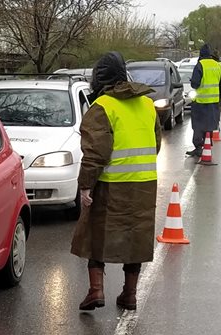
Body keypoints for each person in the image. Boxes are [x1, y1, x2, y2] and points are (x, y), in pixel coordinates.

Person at [70, 51, 162, 311]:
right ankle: (129, 295)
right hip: (144, 184)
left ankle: (96, 291)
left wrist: (85, 185)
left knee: (94, 233)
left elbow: (95, 153)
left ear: (100, 79)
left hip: (110, 184)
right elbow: (155, 144)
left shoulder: (102, 107)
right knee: (136, 235)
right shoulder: (146, 104)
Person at [186, 44, 221, 157]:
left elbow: (195, 84)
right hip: (214, 103)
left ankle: (199, 147)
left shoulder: (200, 65)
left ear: (201, 54)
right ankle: (207, 144)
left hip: (200, 103)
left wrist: (192, 81)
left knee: (198, 126)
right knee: (209, 125)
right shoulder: (217, 66)